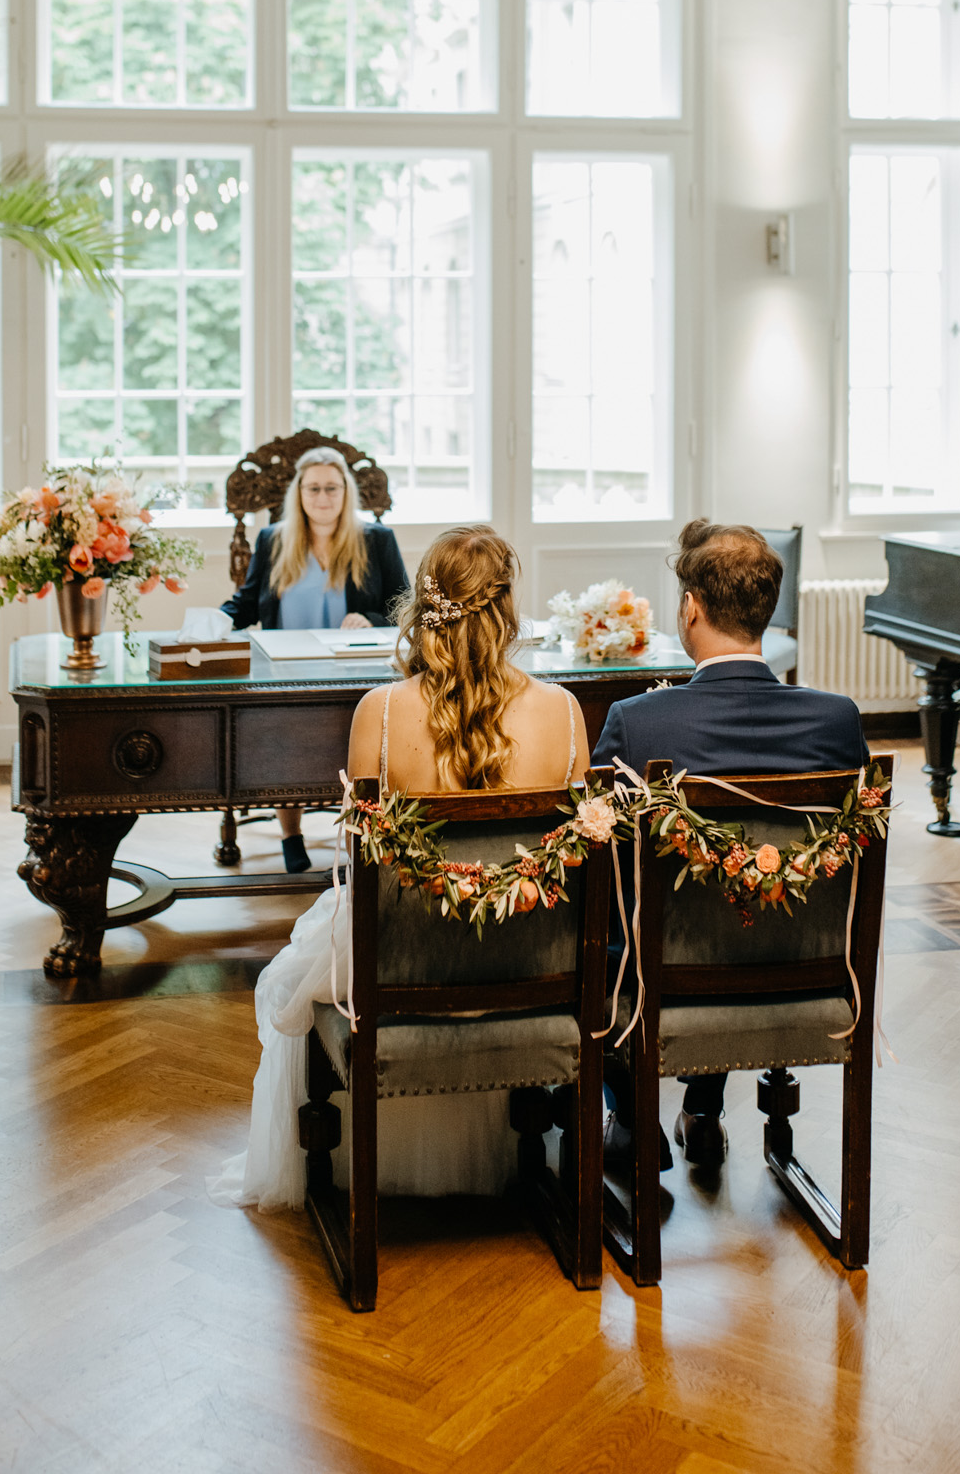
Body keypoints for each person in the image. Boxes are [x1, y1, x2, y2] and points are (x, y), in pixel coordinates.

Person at [208, 525, 589, 1212]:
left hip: (401, 964)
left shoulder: (380, 714)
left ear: (423, 604)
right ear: (506, 608)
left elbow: (357, 861)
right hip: (529, 958)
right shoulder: (562, 711)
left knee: (309, 956)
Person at [593, 518, 868, 1169]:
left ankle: (633, 1117)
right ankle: (704, 1109)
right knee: (732, 905)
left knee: (624, 920)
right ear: (767, 613)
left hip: (674, 970)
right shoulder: (838, 720)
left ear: (691, 609)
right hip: (806, 960)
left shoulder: (638, 722)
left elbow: (599, 859)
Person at [220, 446, 409, 871]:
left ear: (346, 492)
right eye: (313, 488)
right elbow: (246, 604)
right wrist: (214, 622)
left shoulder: (376, 539)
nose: (323, 498)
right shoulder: (273, 540)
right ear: (299, 493)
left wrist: (372, 617)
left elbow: (404, 605)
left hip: (356, 673)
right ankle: (291, 834)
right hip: (286, 670)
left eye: (332, 488)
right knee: (286, 745)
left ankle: (365, 836)